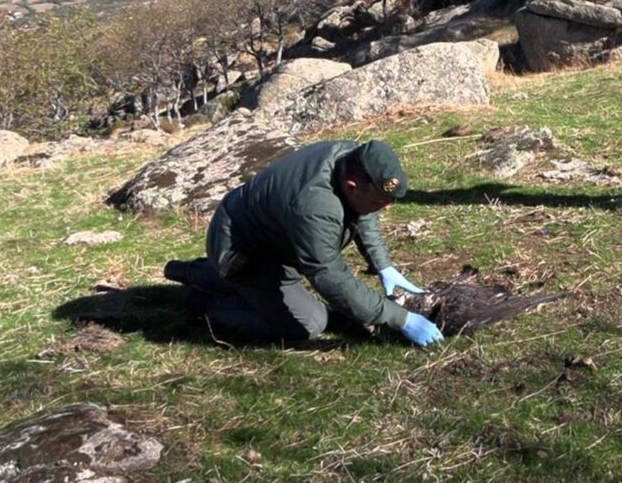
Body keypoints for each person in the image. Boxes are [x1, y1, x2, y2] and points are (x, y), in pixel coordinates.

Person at [162, 139, 444, 347]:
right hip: (241, 254)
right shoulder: (315, 205)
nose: (385, 209)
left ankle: (190, 272)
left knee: (288, 286)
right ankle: (206, 302)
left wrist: (383, 266)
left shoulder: (354, 159)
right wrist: (401, 319)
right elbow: (330, 277)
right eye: (380, 202)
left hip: (260, 238)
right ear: (352, 187)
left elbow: (363, 211)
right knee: (309, 323)